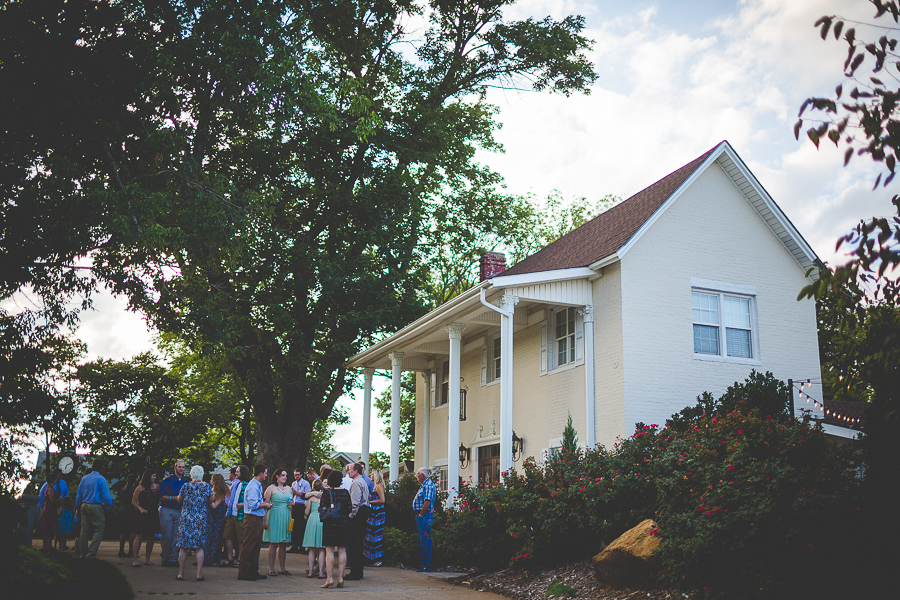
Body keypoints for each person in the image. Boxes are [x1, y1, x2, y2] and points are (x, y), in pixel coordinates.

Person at [175, 465, 215, 581]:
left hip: (187, 519)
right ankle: (199, 574)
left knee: (183, 547)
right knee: (199, 547)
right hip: (200, 519)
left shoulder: (186, 486)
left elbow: (179, 500)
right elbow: (211, 501)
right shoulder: (207, 487)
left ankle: (180, 574)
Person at [237, 464, 272, 581]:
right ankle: (244, 572)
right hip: (252, 518)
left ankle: (253, 570)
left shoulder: (257, 485)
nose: (266, 475)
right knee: (249, 545)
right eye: (266, 473)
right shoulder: (253, 486)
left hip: (256, 518)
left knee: (256, 546)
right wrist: (266, 505)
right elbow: (253, 505)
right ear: (261, 473)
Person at [74, 459, 114, 559]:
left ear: (92, 467)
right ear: (101, 468)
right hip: (95, 505)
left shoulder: (84, 479)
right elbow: (105, 495)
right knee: (99, 528)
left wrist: (77, 506)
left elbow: (79, 494)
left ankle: (83, 554)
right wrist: (110, 505)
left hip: (84, 504)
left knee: (84, 530)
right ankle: (91, 553)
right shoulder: (101, 479)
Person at [319, 469, 351, 588]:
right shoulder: (345, 492)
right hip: (343, 523)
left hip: (330, 524)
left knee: (329, 550)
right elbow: (349, 508)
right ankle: (341, 578)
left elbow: (322, 507)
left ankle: (330, 578)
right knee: (342, 550)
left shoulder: (327, 493)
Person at [263, 468, 292, 575]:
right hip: (274, 516)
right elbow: (265, 505)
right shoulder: (271, 488)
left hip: (286, 515)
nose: (285, 477)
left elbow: (291, 502)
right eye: (283, 475)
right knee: (273, 543)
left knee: (283, 544)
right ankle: (271, 568)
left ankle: (282, 568)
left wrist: (291, 503)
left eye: (286, 475)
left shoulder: (289, 488)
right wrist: (264, 520)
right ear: (277, 476)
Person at [158, 459, 187, 566]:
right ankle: (165, 558)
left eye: (183, 467)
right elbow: (160, 496)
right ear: (175, 468)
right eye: (179, 467)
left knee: (176, 536)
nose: (181, 469)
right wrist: (174, 498)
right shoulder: (167, 481)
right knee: (166, 536)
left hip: (179, 511)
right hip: (167, 510)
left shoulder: (185, 483)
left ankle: (173, 559)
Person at [345, 462, 370, 580]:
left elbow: (355, 502)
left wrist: (351, 515)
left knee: (355, 544)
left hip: (357, 514)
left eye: (350, 470)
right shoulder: (363, 481)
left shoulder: (356, 483)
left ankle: (355, 572)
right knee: (359, 543)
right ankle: (358, 572)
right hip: (363, 512)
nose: (349, 472)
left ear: (355, 471)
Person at [131, 469, 160, 567]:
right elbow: (134, 501)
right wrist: (140, 508)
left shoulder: (157, 487)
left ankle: (147, 559)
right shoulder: (140, 488)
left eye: (155, 476)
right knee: (139, 536)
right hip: (142, 514)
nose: (155, 478)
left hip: (153, 513)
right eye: (153, 476)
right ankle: (135, 559)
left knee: (151, 536)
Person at [222, 464, 249, 568]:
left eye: (237, 471)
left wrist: (243, 505)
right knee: (227, 536)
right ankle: (230, 558)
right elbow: (231, 499)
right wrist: (228, 512)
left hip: (240, 515)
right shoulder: (236, 484)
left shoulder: (247, 485)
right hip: (231, 515)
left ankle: (240, 559)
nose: (235, 473)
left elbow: (252, 501)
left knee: (241, 539)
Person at [412, 467, 436, 572]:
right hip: (422, 515)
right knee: (422, 540)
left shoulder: (428, 485)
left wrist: (421, 515)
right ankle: (423, 563)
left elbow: (427, 502)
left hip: (425, 516)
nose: (417, 475)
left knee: (425, 540)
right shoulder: (424, 485)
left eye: (418, 474)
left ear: (422, 475)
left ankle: (426, 565)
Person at [302, 479, 326, 578]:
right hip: (321, 520)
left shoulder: (311, 498)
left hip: (312, 519)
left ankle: (311, 571)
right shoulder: (324, 497)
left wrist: (306, 507)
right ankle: (321, 571)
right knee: (321, 548)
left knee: (311, 549)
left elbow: (307, 512)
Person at [204, 473, 229, 566]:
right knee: (209, 538)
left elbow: (214, 506)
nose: (210, 481)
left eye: (212, 479)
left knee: (215, 539)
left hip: (218, 520)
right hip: (212, 519)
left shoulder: (221, 493)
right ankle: (208, 558)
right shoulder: (213, 491)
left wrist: (207, 501)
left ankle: (213, 559)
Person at [364, 469, 386, 566]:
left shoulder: (379, 486)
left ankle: (377, 558)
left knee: (375, 535)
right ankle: (370, 557)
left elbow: (382, 500)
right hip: (373, 512)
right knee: (371, 535)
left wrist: (369, 502)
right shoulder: (375, 486)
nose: (370, 476)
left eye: (372, 474)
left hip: (377, 513)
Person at [39, 470, 62, 552]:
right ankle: (46, 545)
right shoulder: (50, 489)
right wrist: (59, 499)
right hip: (49, 510)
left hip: (49, 510)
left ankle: (48, 545)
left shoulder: (48, 488)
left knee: (48, 528)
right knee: (47, 528)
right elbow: (52, 500)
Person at [288, 467, 310, 553]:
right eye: (295, 475)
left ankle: (301, 546)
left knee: (301, 526)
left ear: (301, 475)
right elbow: (291, 494)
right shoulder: (293, 483)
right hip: (294, 505)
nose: (296, 476)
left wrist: (296, 493)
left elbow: (306, 495)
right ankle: (294, 545)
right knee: (294, 526)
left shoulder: (305, 483)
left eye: (298, 475)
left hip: (301, 505)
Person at [118, 474, 136, 558]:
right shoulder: (134, 490)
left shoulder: (123, 489)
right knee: (132, 532)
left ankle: (121, 551)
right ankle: (131, 551)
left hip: (123, 510)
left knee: (123, 532)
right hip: (131, 511)